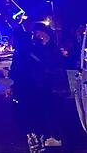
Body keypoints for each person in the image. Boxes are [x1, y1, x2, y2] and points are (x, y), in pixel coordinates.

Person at [9, 21, 66, 152]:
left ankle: (36, 142)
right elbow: (54, 62)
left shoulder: (23, 51)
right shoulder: (38, 48)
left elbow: (17, 71)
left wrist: (13, 83)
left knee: (30, 117)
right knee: (39, 116)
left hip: (30, 90)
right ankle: (40, 140)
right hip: (40, 89)